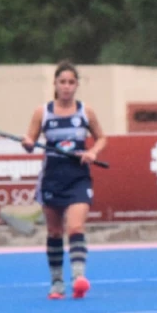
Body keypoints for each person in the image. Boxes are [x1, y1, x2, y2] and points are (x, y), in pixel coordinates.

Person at [21, 61, 106, 300]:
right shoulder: (43, 112)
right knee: (55, 232)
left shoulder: (85, 111)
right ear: (55, 85)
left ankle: (79, 278)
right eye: (62, 82)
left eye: (71, 82)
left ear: (77, 85)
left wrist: (92, 152)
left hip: (78, 177)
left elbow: (101, 138)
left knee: (76, 227)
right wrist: (27, 143)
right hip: (52, 178)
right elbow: (30, 140)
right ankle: (57, 282)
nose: (67, 87)